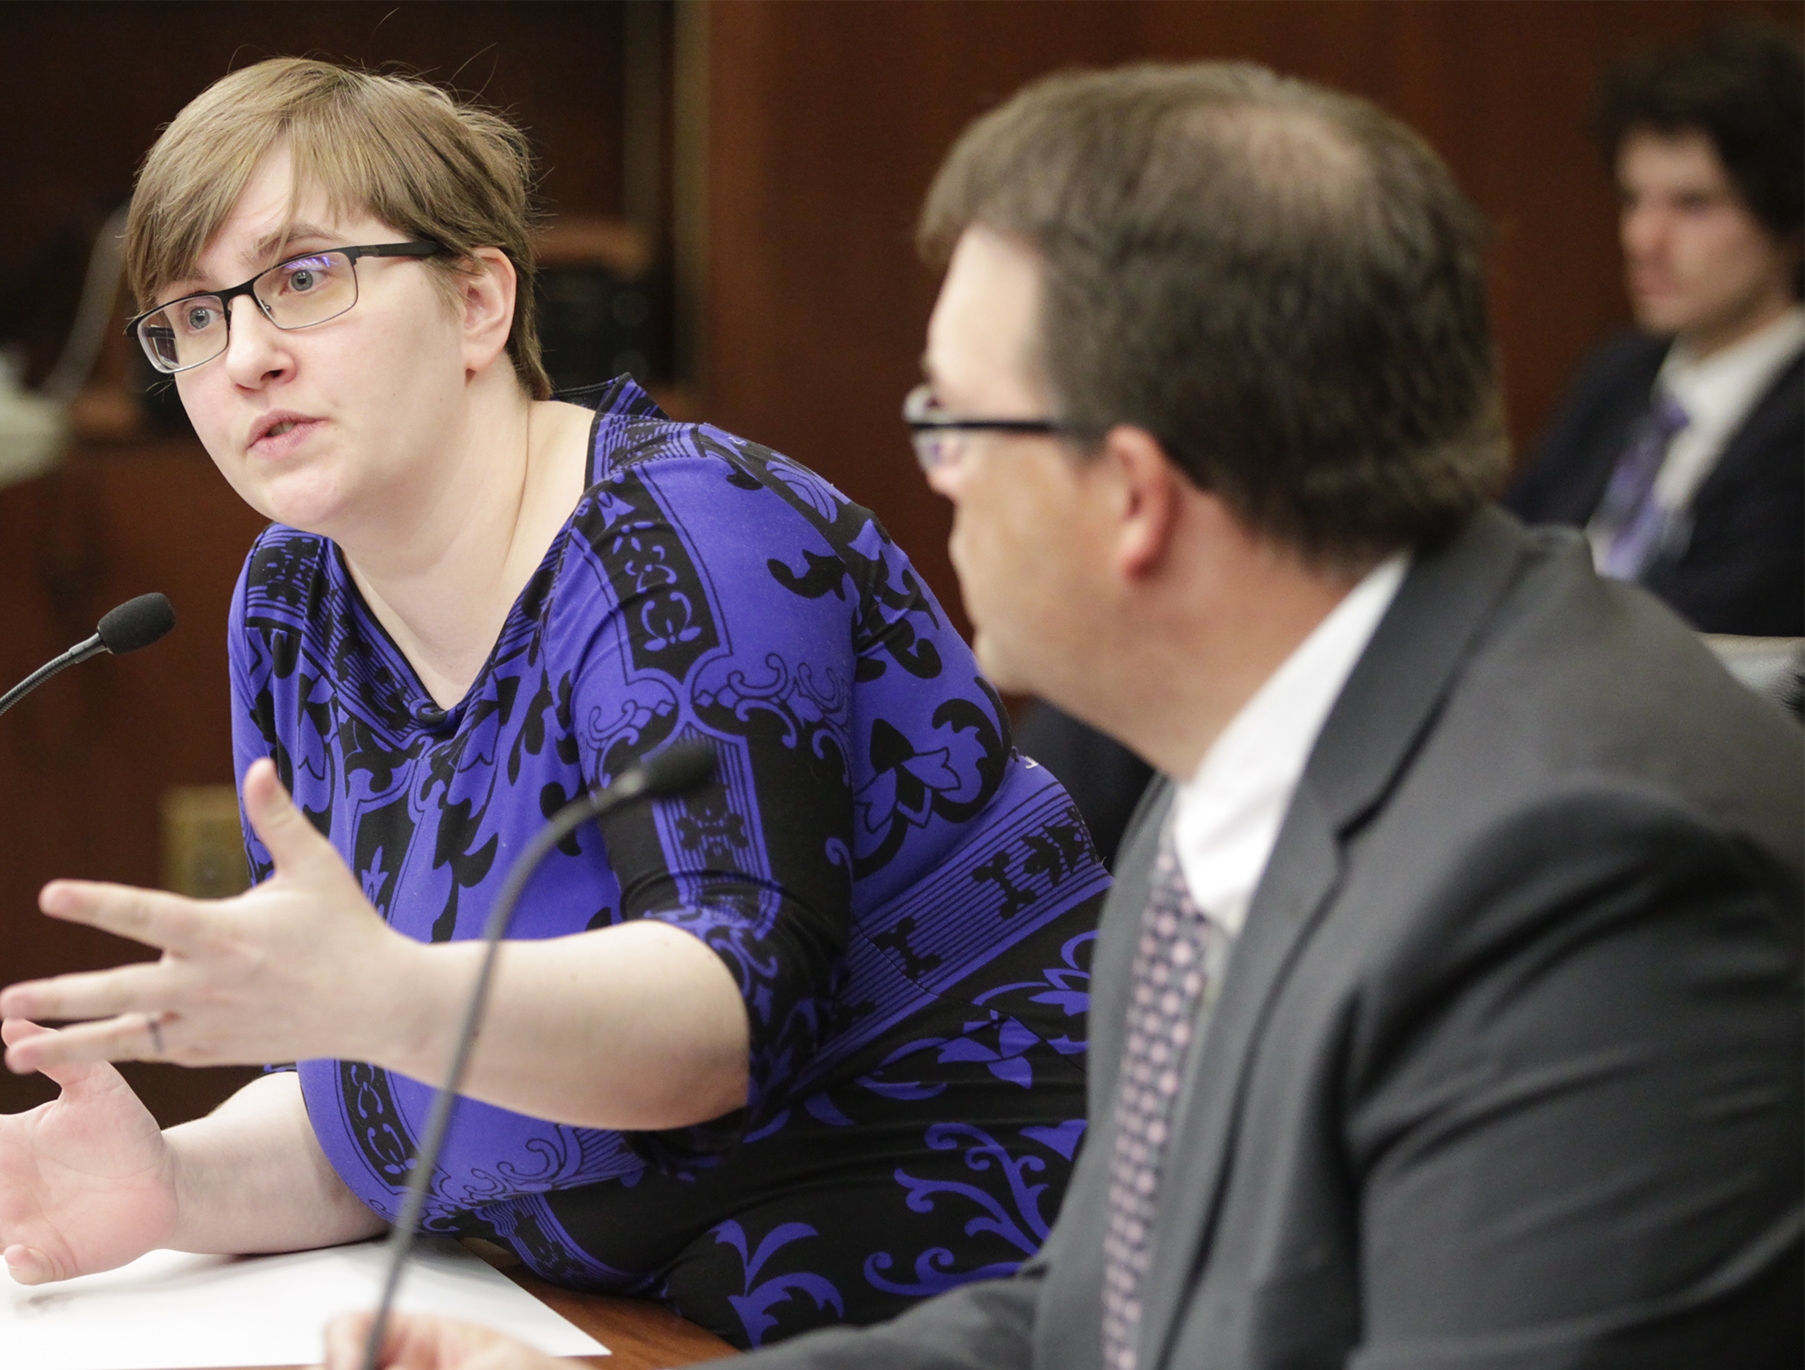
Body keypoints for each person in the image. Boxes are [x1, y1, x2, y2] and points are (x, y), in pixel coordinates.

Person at [331, 62, 1803, 1370]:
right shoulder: (1227, 780)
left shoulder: (1577, 871)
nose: (939, 475)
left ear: (1139, 494)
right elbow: (1092, 1324)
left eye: (953, 420)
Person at [0, 58, 1112, 1350]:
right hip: (580, 1312)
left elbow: (728, 1017)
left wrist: (383, 998)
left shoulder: (684, 539)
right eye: (191, 318)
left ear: (477, 301)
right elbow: (395, 1109)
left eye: (302, 278)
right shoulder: (295, 609)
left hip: (946, 1297)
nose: (247, 358)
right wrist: (178, 1181)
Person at [1505, 22, 1803, 636]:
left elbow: (1702, 641)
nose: (1643, 239)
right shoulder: (1621, 370)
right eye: (1632, 200)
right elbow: (1505, 550)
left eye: (1693, 204)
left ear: (1789, 219)